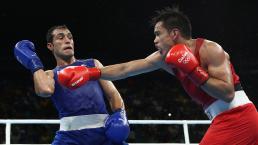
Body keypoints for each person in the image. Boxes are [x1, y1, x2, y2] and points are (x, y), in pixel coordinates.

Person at [64, 7, 258, 144]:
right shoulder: (164, 58)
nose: (155, 40)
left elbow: (227, 93)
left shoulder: (209, 49)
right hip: (223, 119)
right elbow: (126, 68)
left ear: (174, 33)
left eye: (158, 34)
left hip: (239, 117)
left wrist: (192, 69)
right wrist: (92, 73)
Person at [13, 25, 130, 145]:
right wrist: (34, 63)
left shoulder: (92, 64)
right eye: (60, 37)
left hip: (104, 135)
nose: (67, 40)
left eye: (70, 37)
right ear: (50, 46)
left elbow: (113, 94)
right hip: (70, 138)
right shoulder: (50, 74)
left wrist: (120, 114)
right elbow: (44, 90)